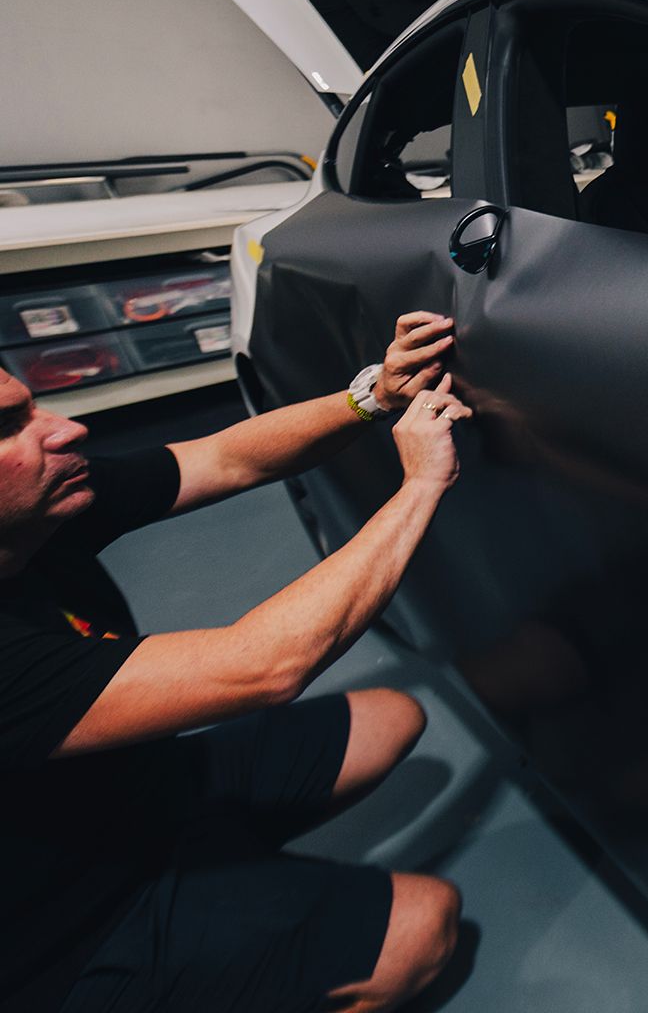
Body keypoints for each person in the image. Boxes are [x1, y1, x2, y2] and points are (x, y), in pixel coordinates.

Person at [0, 311, 473, 1013]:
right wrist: (420, 486)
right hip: (72, 930)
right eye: (7, 427)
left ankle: (225, 874)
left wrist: (373, 395)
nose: (66, 429)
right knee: (425, 925)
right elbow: (266, 666)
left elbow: (225, 458)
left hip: (127, 796)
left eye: (30, 407)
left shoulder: (40, 508)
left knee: (391, 719)